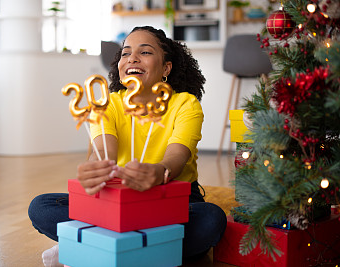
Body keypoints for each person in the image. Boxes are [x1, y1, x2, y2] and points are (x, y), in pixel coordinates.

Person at [28, 26, 227, 267]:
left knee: (211, 219)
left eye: (145, 52)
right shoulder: (108, 104)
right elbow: (105, 153)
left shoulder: (185, 104)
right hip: (117, 199)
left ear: (166, 68)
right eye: (125, 53)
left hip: (172, 199)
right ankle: (147, 250)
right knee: (41, 207)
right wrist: (96, 170)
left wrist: (158, 172)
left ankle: (97, 247)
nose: (132, 58)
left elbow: (176, 156)